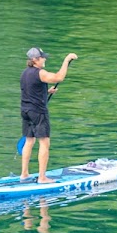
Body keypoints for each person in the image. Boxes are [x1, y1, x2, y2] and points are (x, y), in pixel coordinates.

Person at [20, 47, 78, 183]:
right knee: (44, 143)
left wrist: (45, 92)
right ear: (35, 60)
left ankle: (24, 174)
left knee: (29, 141)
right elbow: (59, 77)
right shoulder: (40, 73)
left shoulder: (25, 73)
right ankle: (42, 177)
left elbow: (31, 91)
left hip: (25, 111)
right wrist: (66, 60)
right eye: (42, 57)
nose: (44, 58)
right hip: (38, 112)